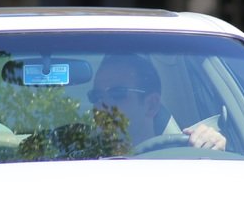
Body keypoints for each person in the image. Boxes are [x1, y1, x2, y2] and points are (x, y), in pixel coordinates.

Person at [89, 54, 226, 150]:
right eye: (96, 96)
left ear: (151, 105)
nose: (102, 105)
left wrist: (211, 148)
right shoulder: (78, 161)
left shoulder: (185, 161)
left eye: (117, 94)